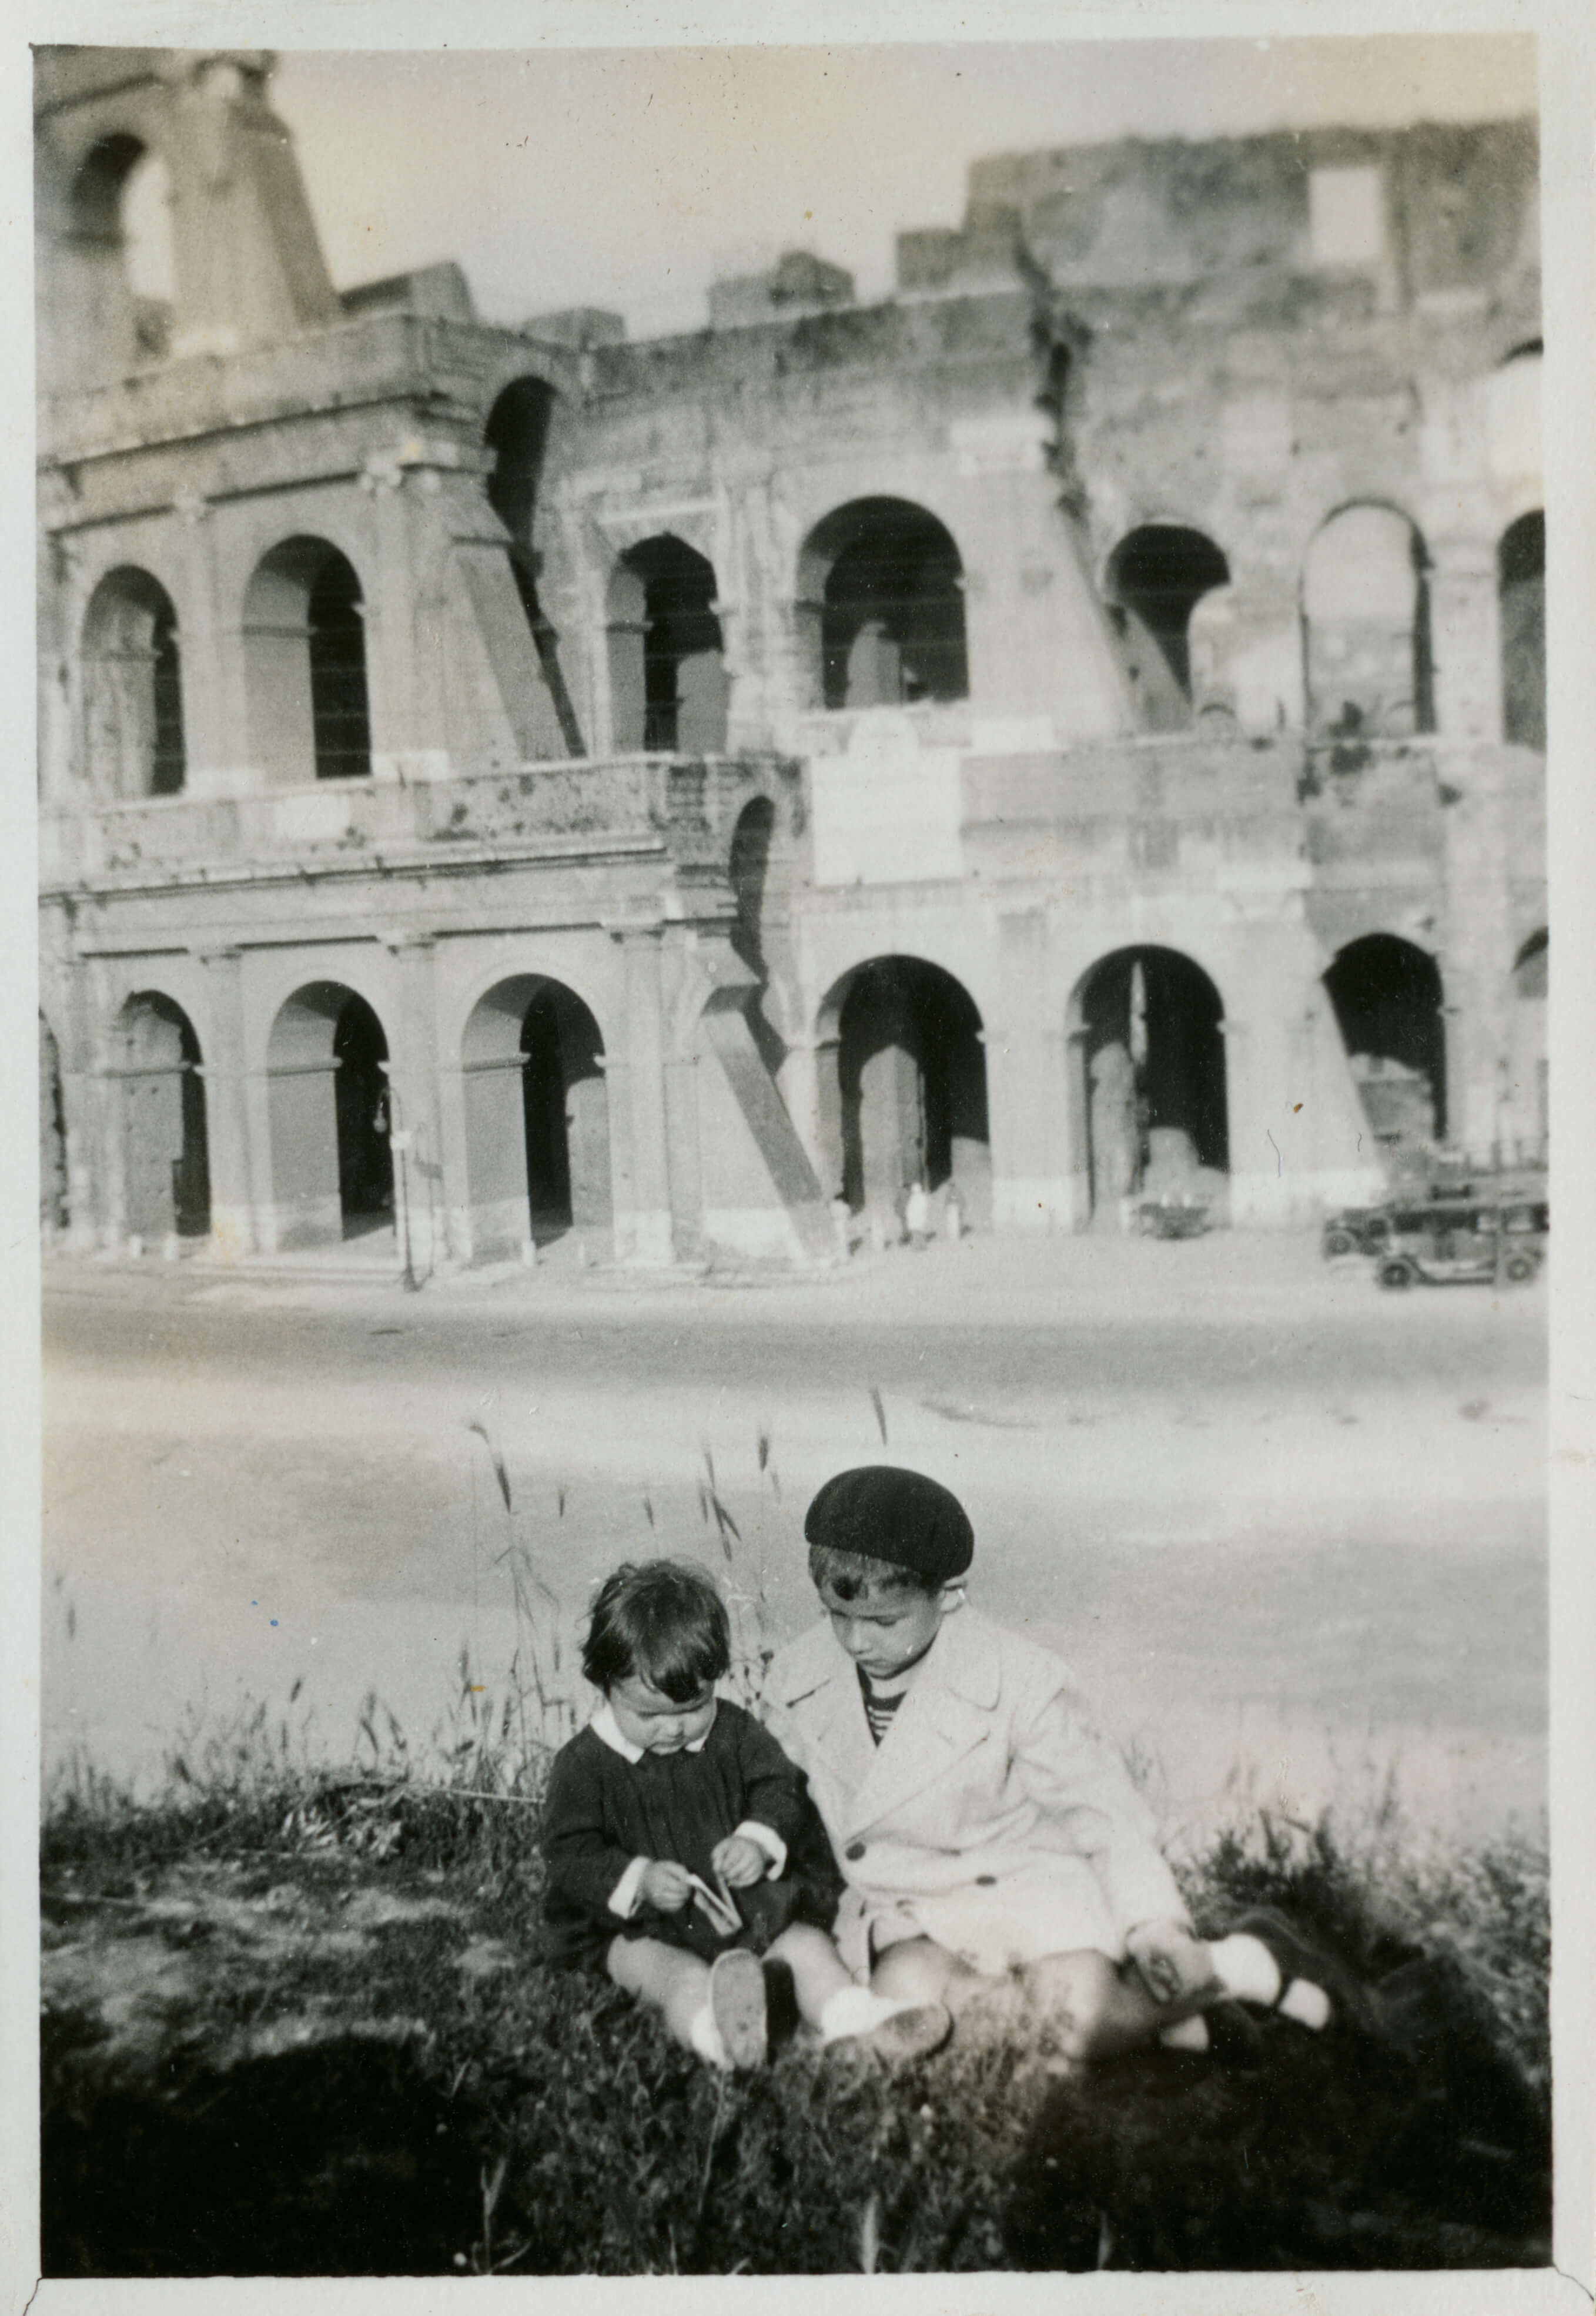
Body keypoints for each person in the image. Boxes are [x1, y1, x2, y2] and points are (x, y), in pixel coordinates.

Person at [762, 1468, 1356, 2069]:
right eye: (836, 1615)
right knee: (912, 2012)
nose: (856, 1641)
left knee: (1061, 2025)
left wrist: (1155, 1926)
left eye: (885, 1621)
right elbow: (772, 1793)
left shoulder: (1021, 1680)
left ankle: (1229, 1966)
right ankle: (1171, 2014)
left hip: (1024, 1893)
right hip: (905, 1912)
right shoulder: (797, 1679)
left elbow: (1104, 1816)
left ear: (947, 1595)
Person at [541, 1558, 952, 2070]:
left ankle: (857, 2018)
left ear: (714, 1679)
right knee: (679, 1980)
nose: (672, 1729)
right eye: (648, 1715)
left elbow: (780, 1787)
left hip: (747, 1911)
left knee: (805, 1947)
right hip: (641, 1926)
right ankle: (720, 2040)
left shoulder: (733, 1733)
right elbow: (569, 1852)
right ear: (605, 1686)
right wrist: (638, 1879)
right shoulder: (584, 1765)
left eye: (691, 1708)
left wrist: (757, 1840)